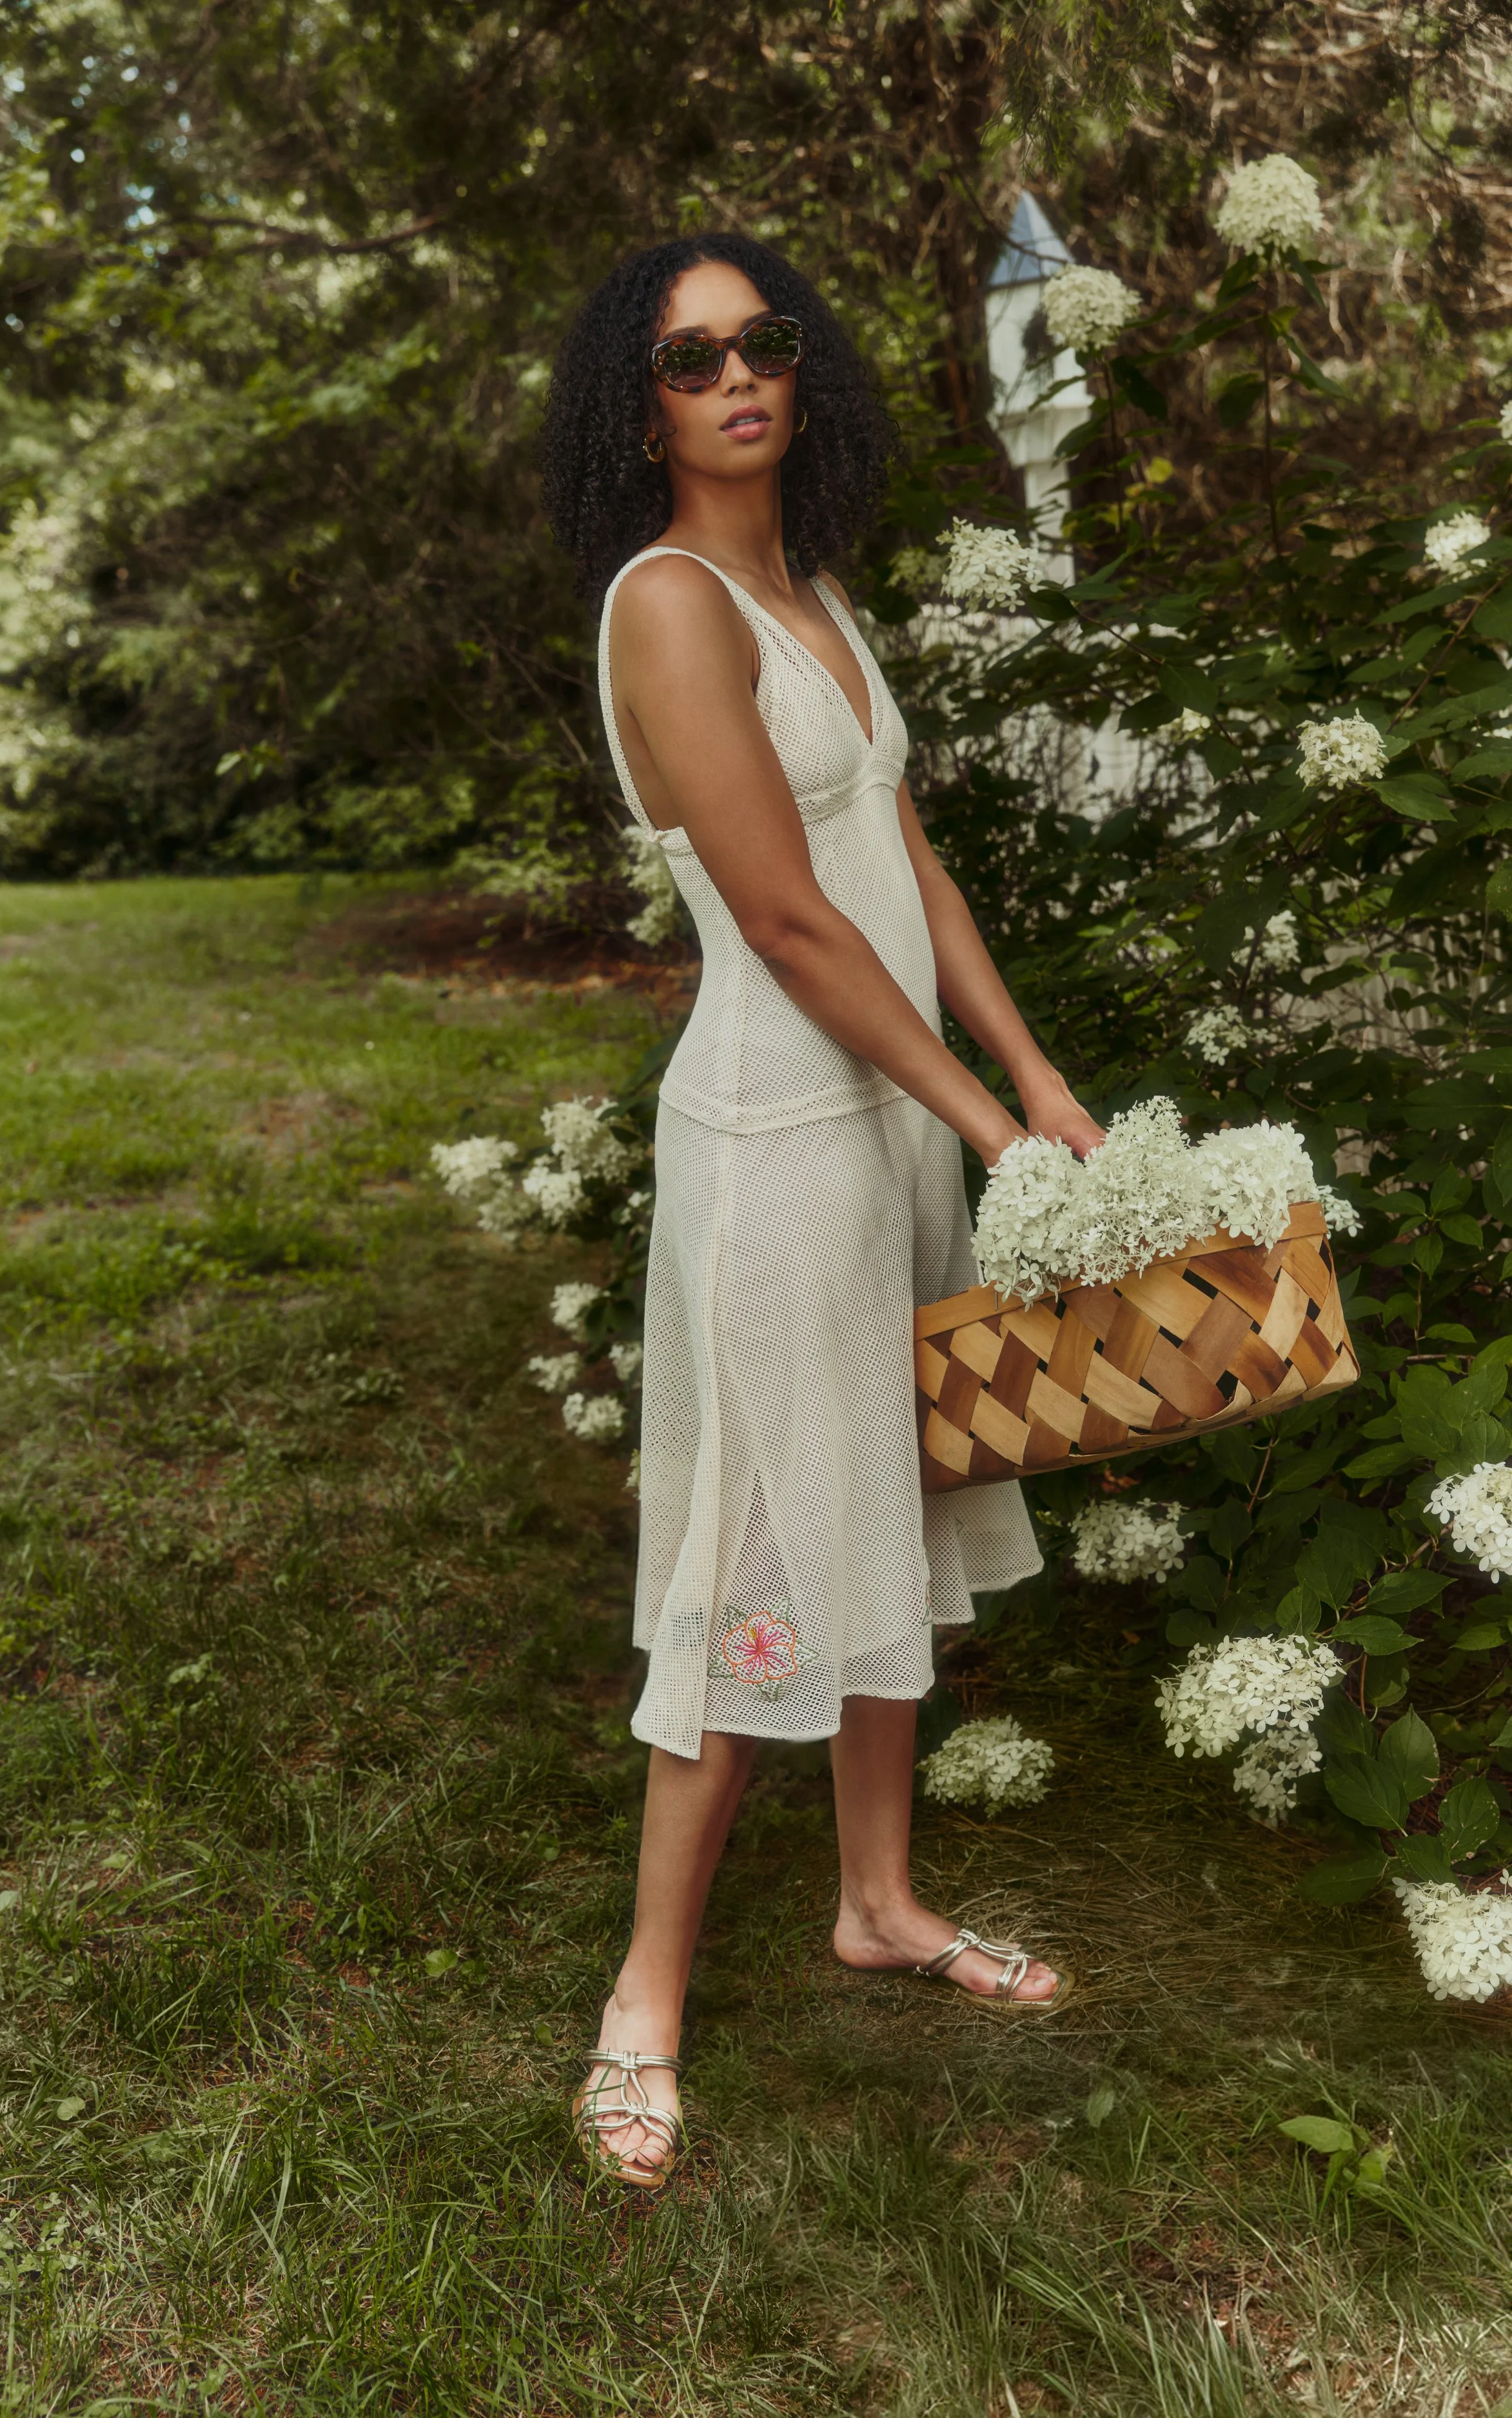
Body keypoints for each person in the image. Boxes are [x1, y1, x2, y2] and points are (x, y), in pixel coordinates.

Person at [540, 234, 1104, 2192]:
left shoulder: (812, 593)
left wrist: (1022, 1083)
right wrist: (971, 1106)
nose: (735, 380)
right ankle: (642, 2001)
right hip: (780, 1132)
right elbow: (782, 915)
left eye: (761, 345)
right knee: (755, 1546)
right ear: (642, 407)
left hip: (894, 1125)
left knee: (893, 1501)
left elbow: (897, 855)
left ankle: (876, 1897)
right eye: (690, 361)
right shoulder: (671, 606)